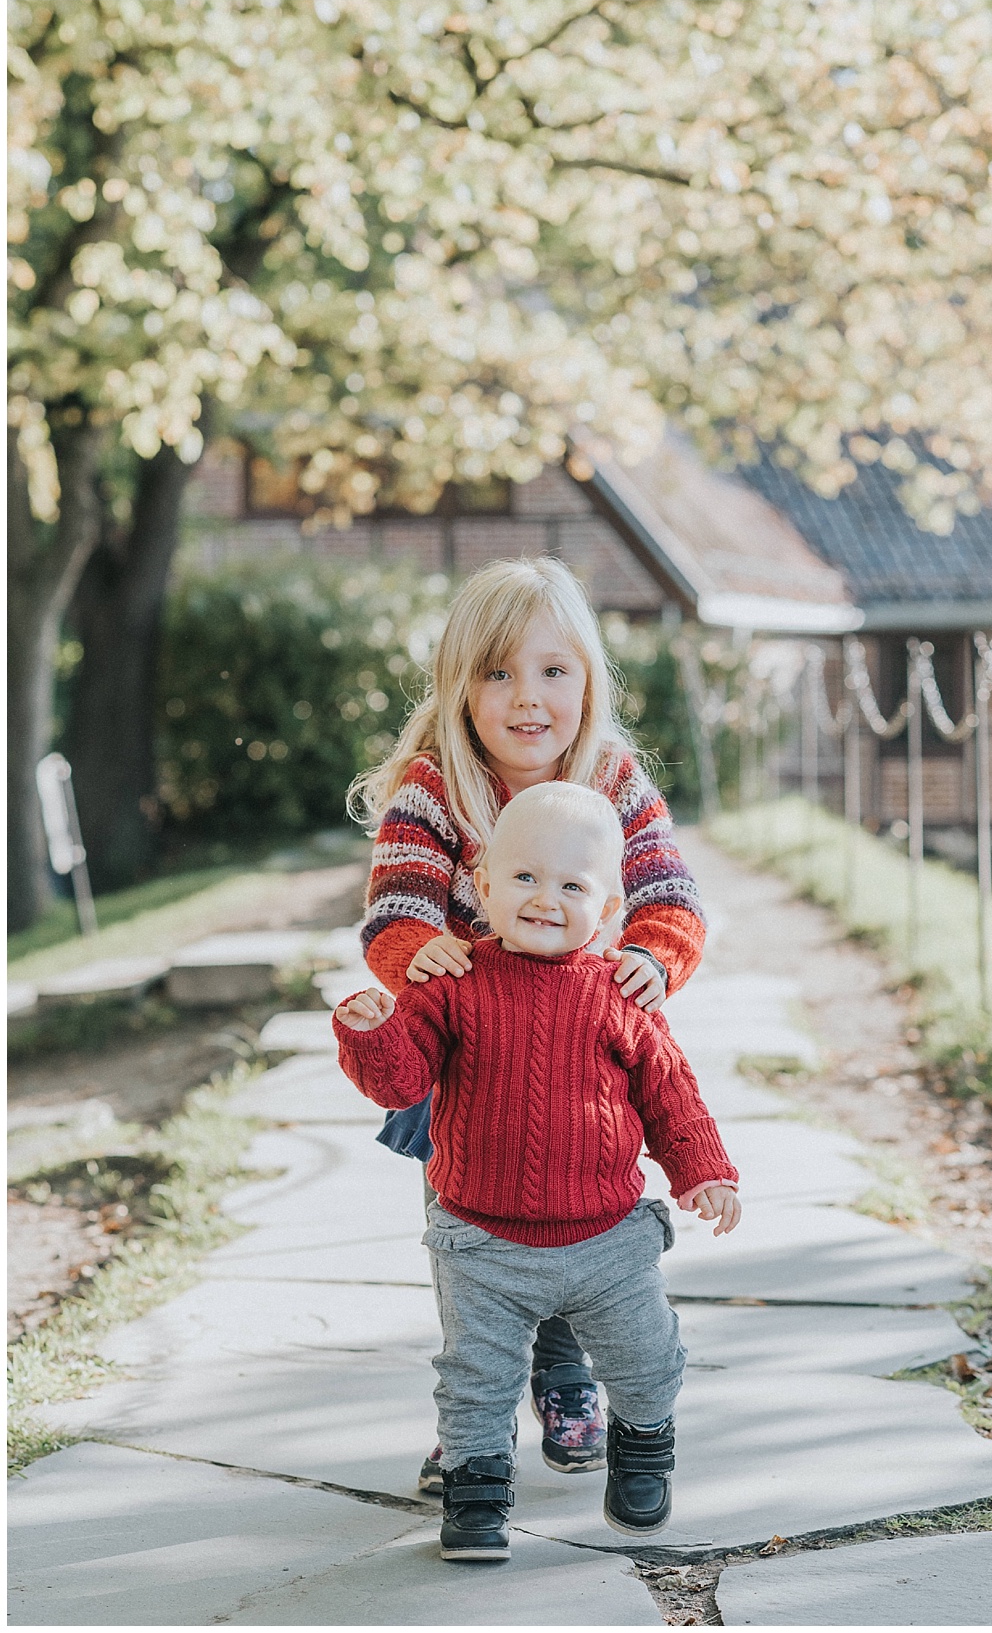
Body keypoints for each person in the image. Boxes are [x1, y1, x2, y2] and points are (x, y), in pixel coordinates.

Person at [348, 556, 708, 1492]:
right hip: (466, 1060)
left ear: (588, 680)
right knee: (471, 1242)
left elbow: (671, 897)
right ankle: (472, 1425)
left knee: (583, 1223)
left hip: (583, 1053)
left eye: (554, 670)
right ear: (461, 685)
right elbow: (397, 910)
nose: (527, 697)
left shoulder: (614, 780)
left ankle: (568, 1376)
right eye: (499, 672)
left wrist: (654, 958)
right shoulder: (435, 788)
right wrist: (413, 954)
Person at [334, 781, 742, 1559]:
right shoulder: (452, 980)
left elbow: (671, 1092)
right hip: (482, 1242)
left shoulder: (621, 990)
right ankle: (478, 1488)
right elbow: (402, 1082)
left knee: (648, 1356)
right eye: (523, 877)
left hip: (608, 1241)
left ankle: (645, 1441)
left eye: (572, 885)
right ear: (482, 884)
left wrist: (704, 1170)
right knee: (475, 1381)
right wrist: (375, 1033)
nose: (546, 898)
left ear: (610, 906)